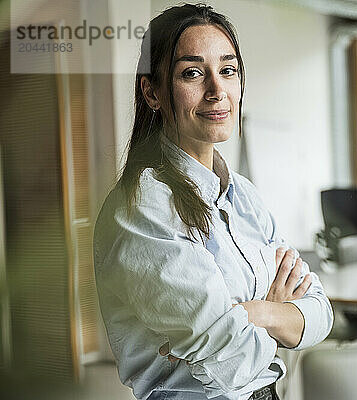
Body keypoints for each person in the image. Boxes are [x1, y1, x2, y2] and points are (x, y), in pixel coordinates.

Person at [93, 4, 334, 400]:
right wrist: (282, 321)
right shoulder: (141, 207)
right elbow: (234, 359)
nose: (217, 90)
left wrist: (257, 313)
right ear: (152, 91)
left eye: (228, 70)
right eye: (192, 72)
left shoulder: (243, 195)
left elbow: (322, 313)